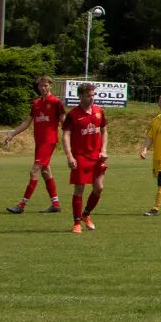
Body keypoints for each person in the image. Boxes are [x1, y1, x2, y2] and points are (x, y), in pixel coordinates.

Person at [3, 74, 66, 214]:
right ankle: (55, 204)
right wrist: (12, 134)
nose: (43, 88)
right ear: (38, 87)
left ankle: (21, 205)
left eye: (46, 85)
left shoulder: (56, 102)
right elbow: (27, 122)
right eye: (41, 86)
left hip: (49, 142)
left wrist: (70, 136)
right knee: (45, 171)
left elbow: (64, 121)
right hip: (39, 142)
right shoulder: (36, 103)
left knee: (34, 171)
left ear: (50, 86)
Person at [63, 82, 108, 234]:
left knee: (99, 187)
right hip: (80, 156)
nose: (92, 98)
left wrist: (103, 150)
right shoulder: (73, 114)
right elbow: (66, 135)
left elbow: (104, 130)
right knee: (79, 188)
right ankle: (76, 223)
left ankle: (86, 214)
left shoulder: (99, 111)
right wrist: (70, 156)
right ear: (81, 96)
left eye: (93, 95)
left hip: (96, 156)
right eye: (88, 95)